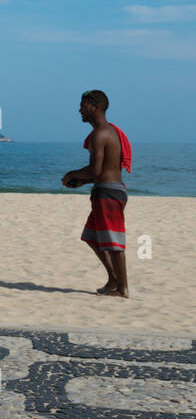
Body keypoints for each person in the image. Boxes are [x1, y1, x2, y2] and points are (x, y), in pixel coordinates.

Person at [61, 89, 132, 298]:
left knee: (114, 242)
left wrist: (71, 174)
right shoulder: (108, 131)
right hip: (106, 190)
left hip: (108, 194)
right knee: (91, 236)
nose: (79, 110)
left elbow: (95, 170)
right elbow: (100, 172)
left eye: (83, 106)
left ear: (96, 106)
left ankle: (123, 288)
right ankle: (113, 280)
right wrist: (80, 181)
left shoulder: (99, 134)